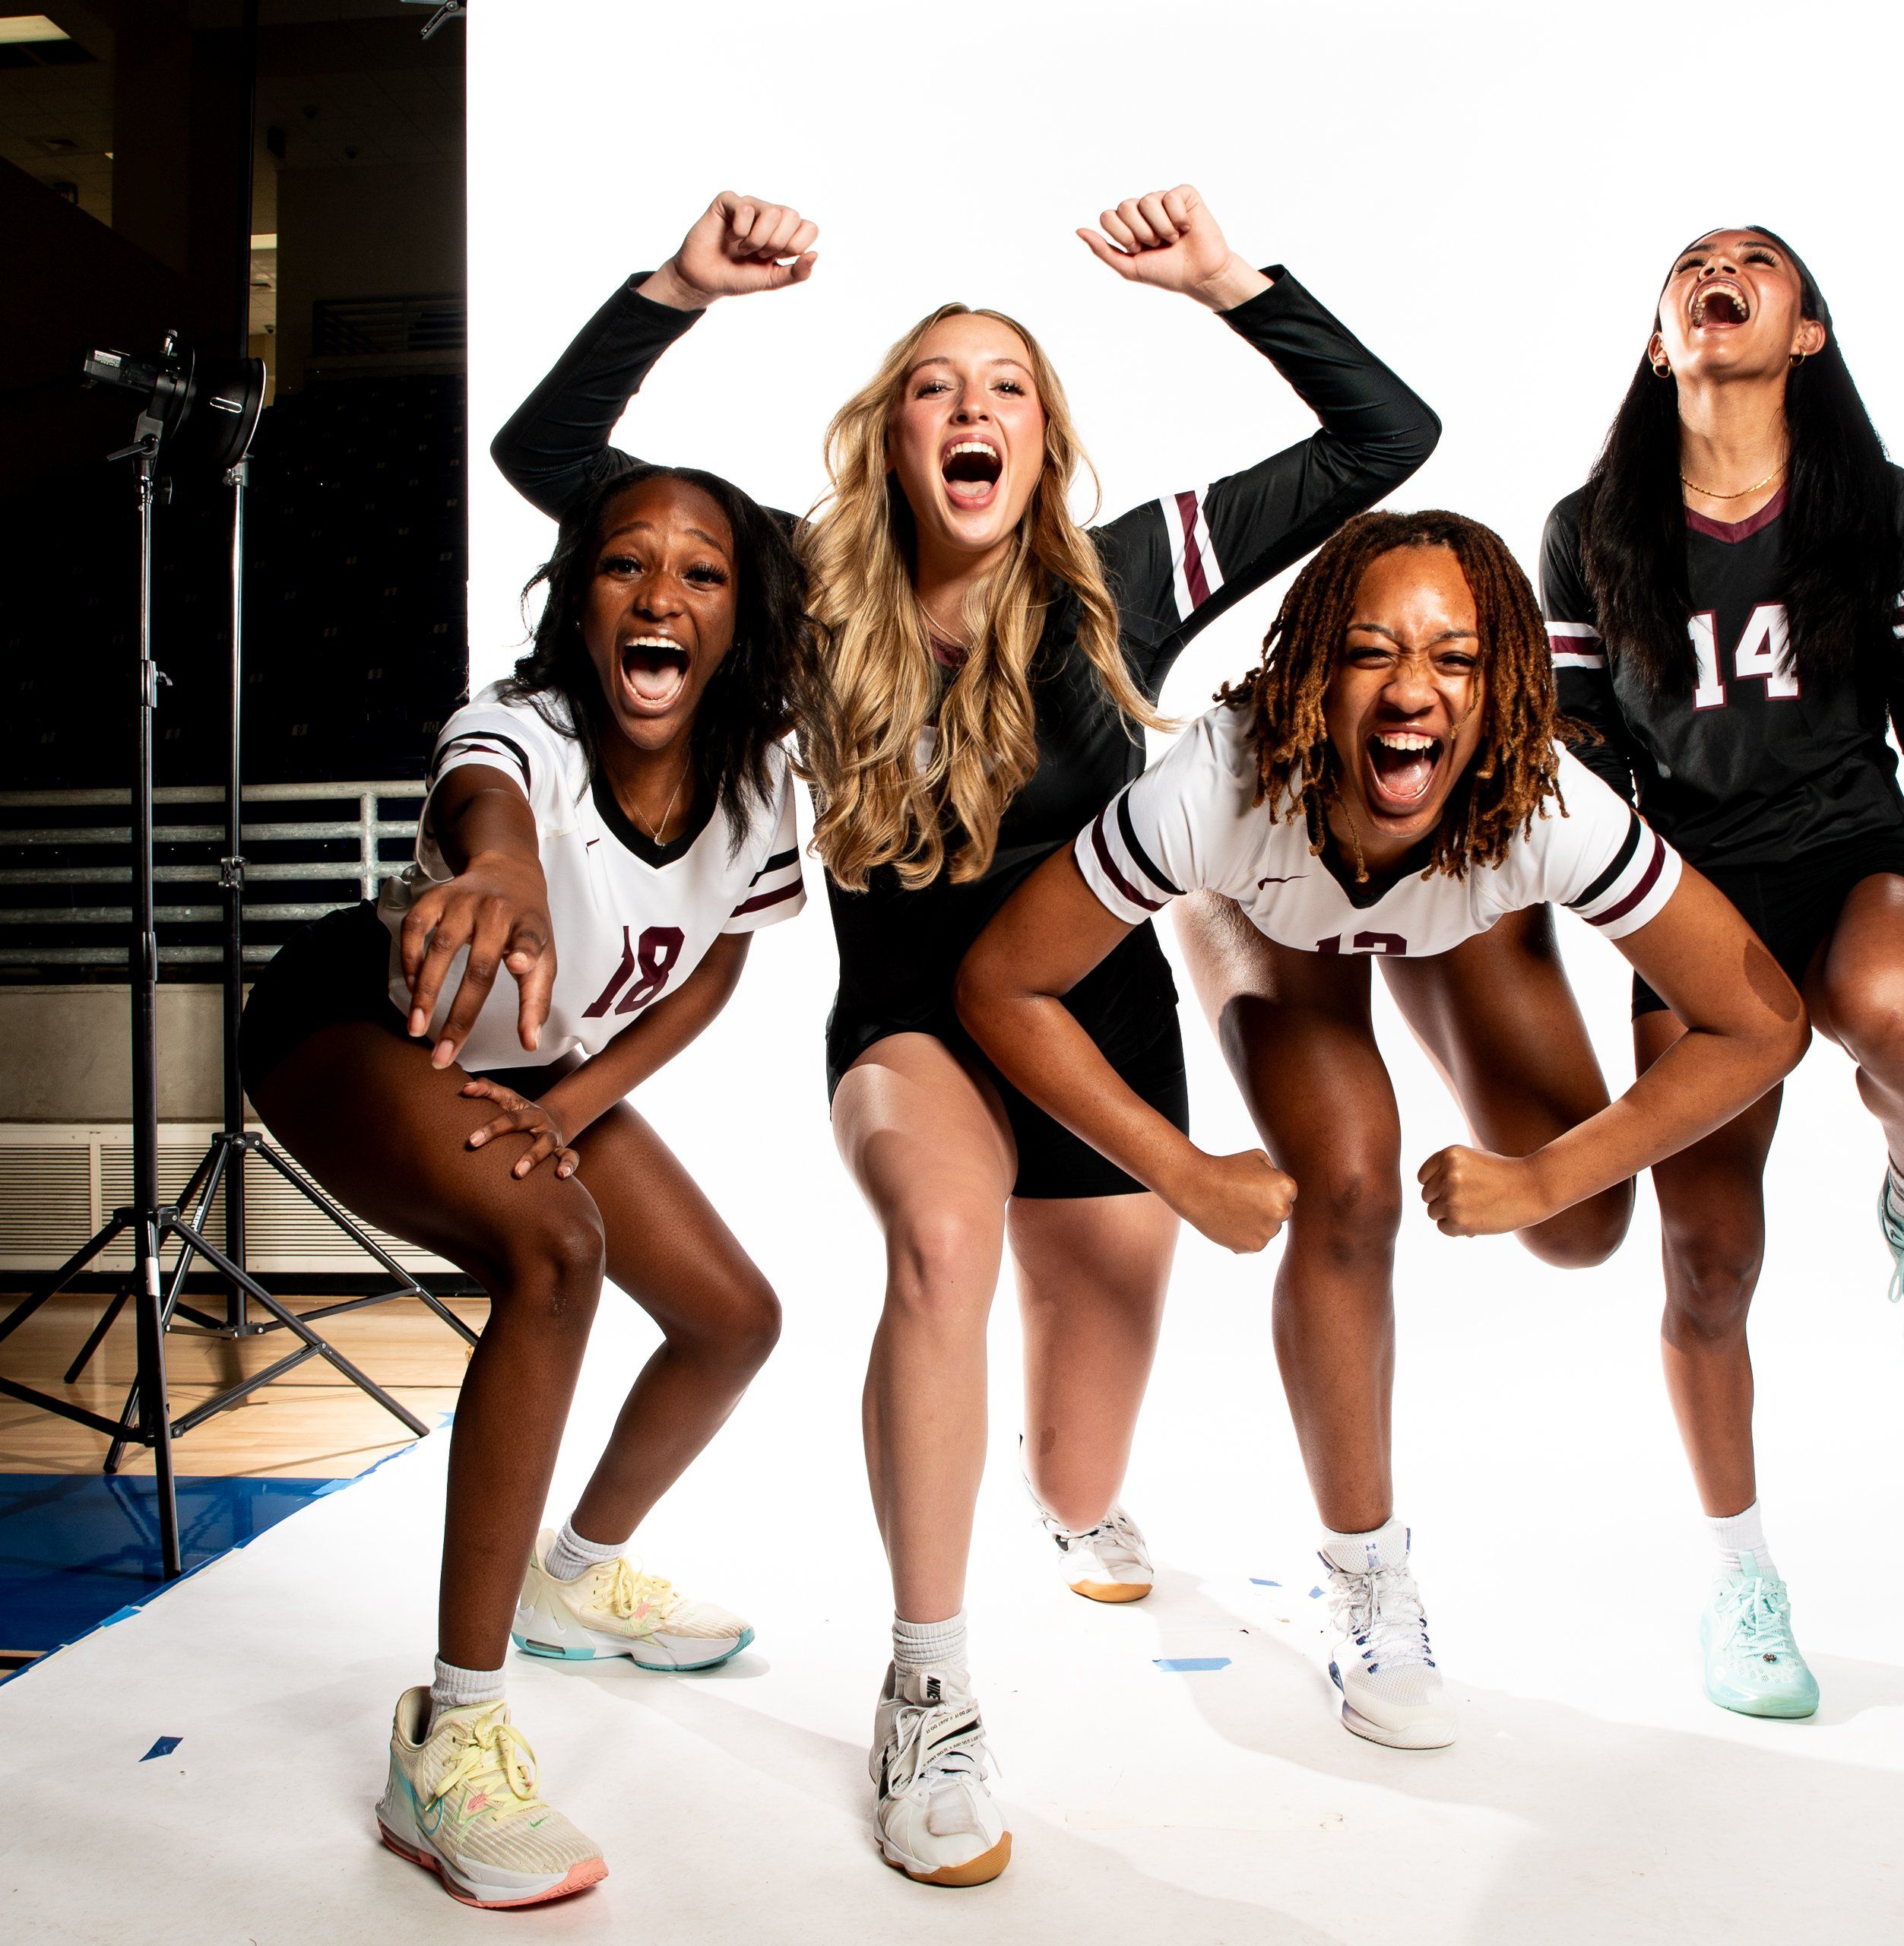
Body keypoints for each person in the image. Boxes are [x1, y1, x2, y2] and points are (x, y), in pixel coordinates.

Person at [492, 185, 1437, 1884]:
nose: (970, 407)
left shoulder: (1129, 574)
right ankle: (927, 1688)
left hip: (1100, 1028)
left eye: (1005, 385)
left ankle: (1069, 1496)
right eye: (934, 385)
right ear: (892, 437)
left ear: (1042, 438)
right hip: (913, 1019)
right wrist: (678, 288)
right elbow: (548, 458)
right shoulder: (797, 583)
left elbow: (1387, 436)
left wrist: (1229, 282)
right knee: (939, 1245)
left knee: (1077, 1471)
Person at [957, 509, 1808, 1749]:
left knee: (1582, 1227)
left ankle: (1457, 922)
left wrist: (1541, 1178)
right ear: (1315, 671)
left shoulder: (1547, 803)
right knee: (1350, 1184)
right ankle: (1368, 1574)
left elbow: (1764, 1023)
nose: (1414, 690)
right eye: (1372, 652)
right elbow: (1001, 984)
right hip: (1278, 912)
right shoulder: (1218, 785)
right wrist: (1182, 1172)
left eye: (1456, 658)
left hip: (1460, 899)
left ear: (1501, 686)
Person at [1538, 226, 1904, 1720]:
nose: (1717, 270)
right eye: (1691, 264)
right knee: (1708, 1265)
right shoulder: (1590, 528)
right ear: (1661, 338)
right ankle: (1742, 1578)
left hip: (1849, 851)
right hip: (1693, 897)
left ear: (1805, 333)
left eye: (1756, 262)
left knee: (1902, 1021)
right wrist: (1567, 837)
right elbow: (1585, 751)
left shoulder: (1871, 506)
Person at [238, 463, 812, 1906]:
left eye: (700, 571)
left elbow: (716, 968)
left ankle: (576, 1575)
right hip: (360, 1023)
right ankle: (453, 1737)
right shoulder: (521, 729)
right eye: (625, 564)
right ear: (582, 601)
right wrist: (505, 873)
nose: (660, 593)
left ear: (739, 617)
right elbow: (485, 809)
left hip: (530, 1063)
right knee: (557, 1250)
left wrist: (574, 1098)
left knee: (734, 1318)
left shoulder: (757, 782)